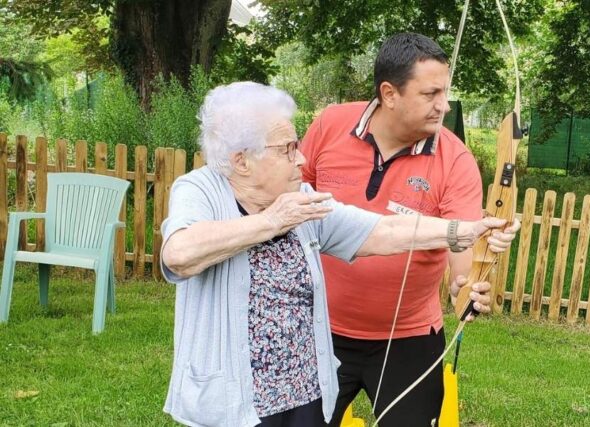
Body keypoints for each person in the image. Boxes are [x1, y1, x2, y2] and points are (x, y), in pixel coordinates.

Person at [159, 81, 516, 427]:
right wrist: (272, 221)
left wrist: (461, 230)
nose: (301, 157)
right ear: (242, 161)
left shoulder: (302, 199)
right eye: (287, 148)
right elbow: (179, 254)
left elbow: (384, 229)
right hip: (235, 402)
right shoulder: (201, 189)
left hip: (304, 395)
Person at [300, 32, 522, 426]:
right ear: (389, 93)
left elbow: (462, 251)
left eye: (445, 91)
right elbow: (291, 197)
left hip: (409, 340)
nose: (444, 104)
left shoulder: (454, 159)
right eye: (430, 93)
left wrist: (466, 283)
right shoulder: (330, 125)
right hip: (318, 329)